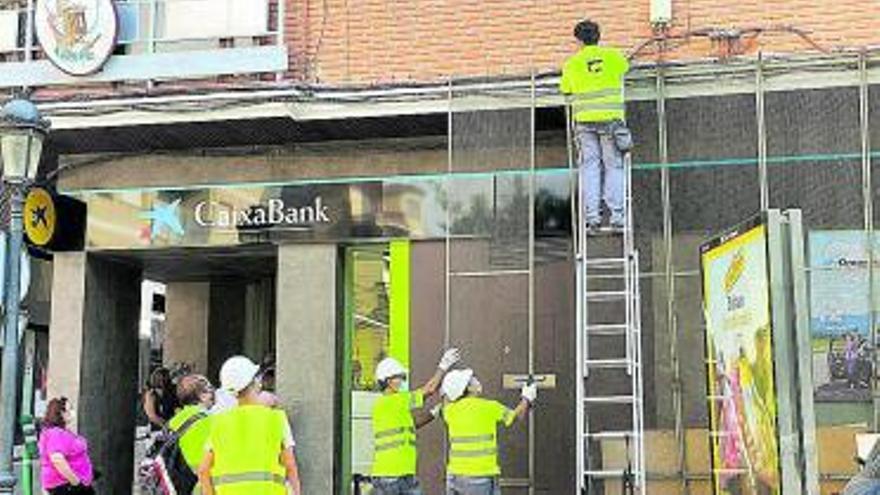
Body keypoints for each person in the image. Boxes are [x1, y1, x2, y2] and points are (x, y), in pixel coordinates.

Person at [560, 19, 631, 234]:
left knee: (590, 167)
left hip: (584, 122)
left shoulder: (572, 64)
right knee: (613, 166)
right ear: (598, 36)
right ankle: (617, 217)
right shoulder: (613, 57)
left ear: (579, 40)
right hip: (610, 121)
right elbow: (625, 68)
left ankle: (593, 218)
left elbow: (566, 89)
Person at [198, 356, 302, 495]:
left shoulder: (219, 423)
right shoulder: (276, 419)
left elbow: (203, 470)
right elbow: (290, 467)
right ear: (255, 381)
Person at [370, 348, 461, 495]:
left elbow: (412, 424)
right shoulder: (396, 400)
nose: (402, 381)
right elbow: (429, 389)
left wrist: (434, 412)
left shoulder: (385, 405)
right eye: (400, 377)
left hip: (396, 474)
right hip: (393, 476)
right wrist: (443, 366)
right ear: (388, 381)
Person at [439, 368, 537, 495]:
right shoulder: (489, 407)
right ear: (467, 388)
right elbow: (517, 416)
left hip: (454, 476)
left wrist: (447, 389)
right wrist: (527, 397)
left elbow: (446, 399)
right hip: (479, 477)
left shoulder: (449, 411)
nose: (476, 380)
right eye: (472, 380)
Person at [38, 397, 96, 495]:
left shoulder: (61, 432)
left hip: (69, 484)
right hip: (65, 485)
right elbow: (57, 459)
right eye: (70, 409)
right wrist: (76, 482)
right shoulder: (56, 433)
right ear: (61, 413)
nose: (73, 412)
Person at [169, 374, 215, 472]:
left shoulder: (176, 419)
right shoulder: (207, 420)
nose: (213, 393)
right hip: (197, 480)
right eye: (209, 389)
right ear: (201, 396)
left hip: (176, 479)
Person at [143, 367, 178, 431]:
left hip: (172, 425)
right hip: (157, 428)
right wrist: (166, 425)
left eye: (165, 378)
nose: (162, 382)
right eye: (160, 379)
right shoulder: (151, 394)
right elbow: (152, 415)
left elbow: (177, 408)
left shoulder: (172, 392)